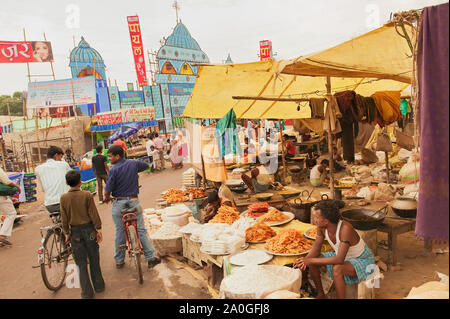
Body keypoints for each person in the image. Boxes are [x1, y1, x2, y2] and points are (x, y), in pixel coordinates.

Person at [293, 200, 375, 299]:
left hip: (362, 260)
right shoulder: (321, 227)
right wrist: (303, 261)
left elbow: (339, 259)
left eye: (316, 217)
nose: (314, 219)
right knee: (312, 262)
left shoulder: (345, 229)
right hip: (343, 257)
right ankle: (320, 294)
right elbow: (316, 248)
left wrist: (309, 260)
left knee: (337, 268)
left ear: (326, 221)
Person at [103, 145, 160, 269]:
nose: (109, 159)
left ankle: (119, 260)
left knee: (120, 231)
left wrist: (106, 198)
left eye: (110, 156)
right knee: (141, 230)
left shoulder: (113, 170)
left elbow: (108, 189)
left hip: (119, 203)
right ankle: (150, 258)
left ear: (117, 156)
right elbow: (146, 165)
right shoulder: (133, 164)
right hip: (134, 202)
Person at [60, 170, 105, 299]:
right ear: (80, 182)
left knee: (80, 263)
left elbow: (64, 218)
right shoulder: (87, 195)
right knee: (94, 258)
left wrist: (67, 233)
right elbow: (93, 213)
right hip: (89, 230)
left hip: (75, 233)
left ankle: (86, 293)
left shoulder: (63, 198)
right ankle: (99, 286)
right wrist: (98, 229)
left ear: (67, 183)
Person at [35, 146, 72, 214]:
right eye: (60, 157)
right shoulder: (64, 164)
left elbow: (43, 189)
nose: (61, 159)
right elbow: (73, 180)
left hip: (49, 205)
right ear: (56, 155)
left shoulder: (38, 169)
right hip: (65, 203)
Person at [0, 167, 21, 246]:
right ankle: (2, 235)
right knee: (11, 213)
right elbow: (6, 181)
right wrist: (16, 186)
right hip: (1, 196)